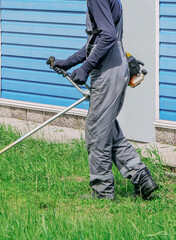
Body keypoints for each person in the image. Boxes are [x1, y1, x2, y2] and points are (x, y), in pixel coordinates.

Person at [50, 0, 158, 200]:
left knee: (97, 132)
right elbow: (97, 41)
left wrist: (86, 68)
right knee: (108, 129)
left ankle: (102, 192)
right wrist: (70, 62)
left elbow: (107, 37)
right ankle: (142, 178)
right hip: (116, 65)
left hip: (108, 69)